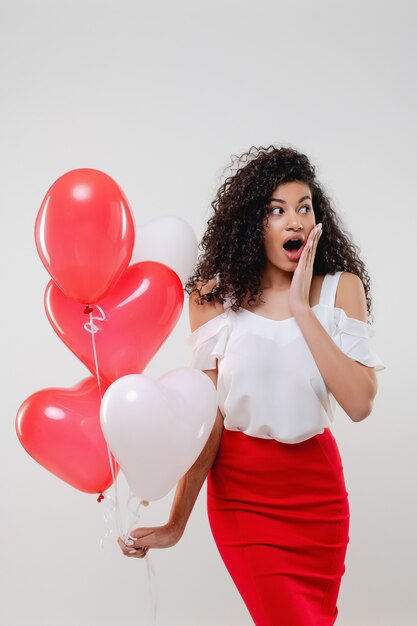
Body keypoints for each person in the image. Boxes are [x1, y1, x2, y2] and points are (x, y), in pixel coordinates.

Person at [117, 145, 386, 625]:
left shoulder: (340, 289)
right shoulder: (214, 298)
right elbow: (209, 420)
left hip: (316, 495)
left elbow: (360, 402)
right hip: (242, 497)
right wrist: (178, 521)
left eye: (304, 207)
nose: (295, 221)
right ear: (250, 226)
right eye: (277, 210)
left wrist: (303, 310)